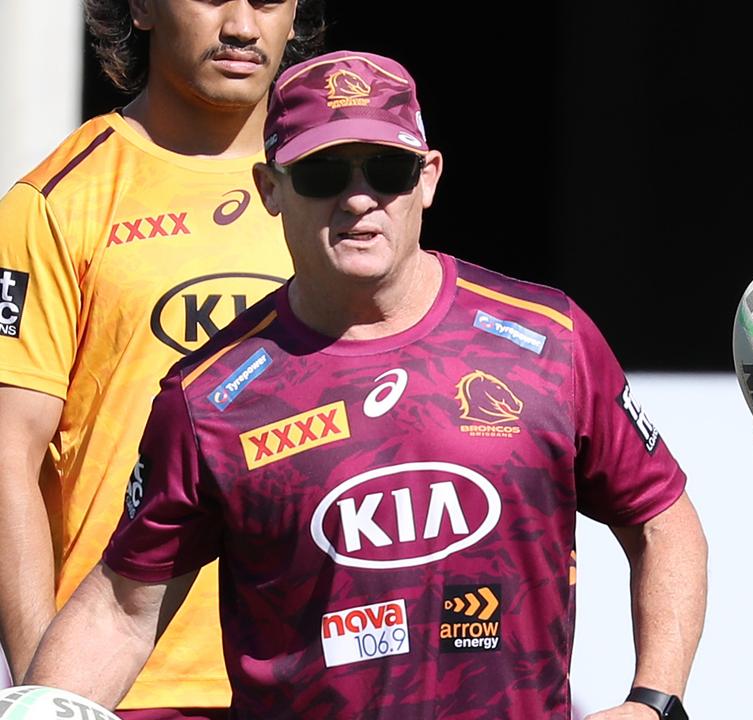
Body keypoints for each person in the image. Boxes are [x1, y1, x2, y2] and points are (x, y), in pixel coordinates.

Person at [27, 50, 708, 720]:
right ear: (270, 188)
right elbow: (121, 607)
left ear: (428, 178)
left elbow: (660, 518)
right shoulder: (208, 399)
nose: (359, 199)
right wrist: (41, 709)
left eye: (387, 169)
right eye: (323, 172)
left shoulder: (548, 339)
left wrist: (654, 701)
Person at [0, 0, 324, 716]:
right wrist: (52, 695)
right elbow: (6, 455)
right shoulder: (54, 201)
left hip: (324, 678)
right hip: (132, 687)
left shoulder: (346, 193)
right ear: (141, 6)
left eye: (269, 0)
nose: (243, 26)